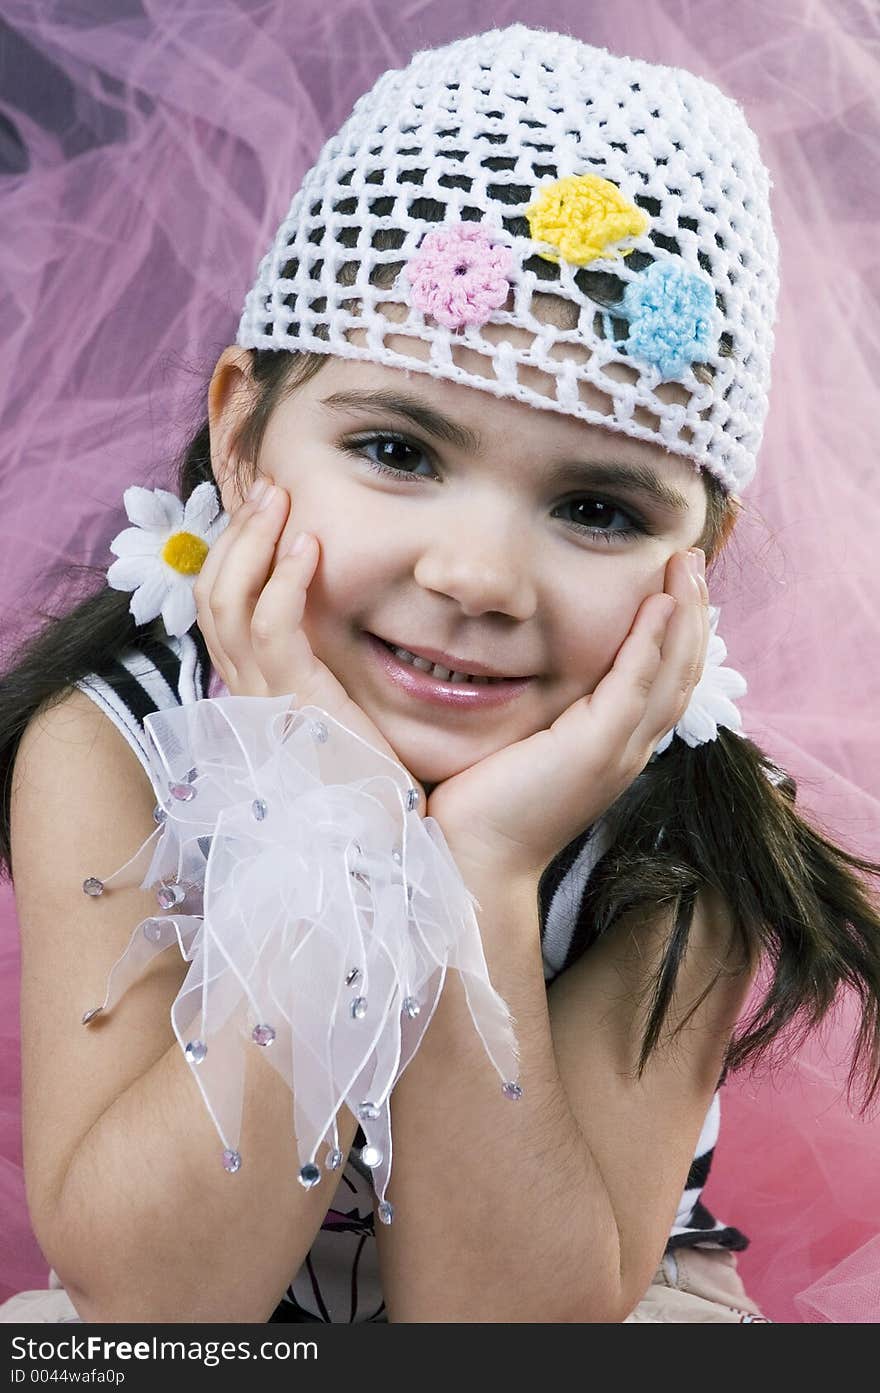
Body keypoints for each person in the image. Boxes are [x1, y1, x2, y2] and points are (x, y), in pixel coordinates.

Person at [1, 22, 878, 1325]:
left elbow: (505, 1325)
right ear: (243, 433)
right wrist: (335, 821)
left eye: (597, 508)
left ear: (697, 558)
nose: (477, 575)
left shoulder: (683, 835)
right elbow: (155, 1304)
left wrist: (480, 873)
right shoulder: (113, 743)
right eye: (401, 452)